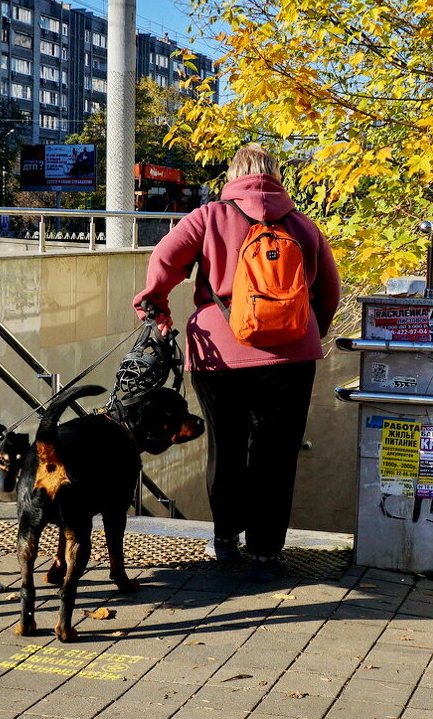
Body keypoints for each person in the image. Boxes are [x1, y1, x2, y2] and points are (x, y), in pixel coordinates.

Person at [132, 143, 341, 582]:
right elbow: (329, 291)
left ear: (234, 175)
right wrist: (307, 335)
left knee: (227, 447)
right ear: (276, 175)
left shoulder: (207, 217)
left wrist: (155, 310)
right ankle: (266, 552)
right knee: (277, 454)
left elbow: (164, 261)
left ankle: (226, 542)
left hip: (220, 351)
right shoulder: (303, 225)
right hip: (291, 356)